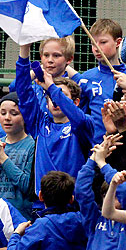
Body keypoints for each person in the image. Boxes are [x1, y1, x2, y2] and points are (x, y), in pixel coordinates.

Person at [15, 43, 94, 208]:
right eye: (51, 97)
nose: (55, 101)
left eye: (61, 96)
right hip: (42, 205)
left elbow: (77, 118)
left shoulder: (83, 124)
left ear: (76, 102)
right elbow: (22, 91)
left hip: (74, 205)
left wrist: (51, 86)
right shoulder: (39, 124)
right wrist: (24, 52)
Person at [77, 19, 126, 143]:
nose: (97, 48)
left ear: (118, 42)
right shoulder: (86, 78)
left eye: (103, 42)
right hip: (97, 146)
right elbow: (81, 117)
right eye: (93, 43)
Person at [0, 92, 35, 219]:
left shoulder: (33, 146)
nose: (7, 118)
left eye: (14, 113)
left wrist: (2, 158)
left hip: (21, 217)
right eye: (3, 113)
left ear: (25, 116)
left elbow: (27, 186)